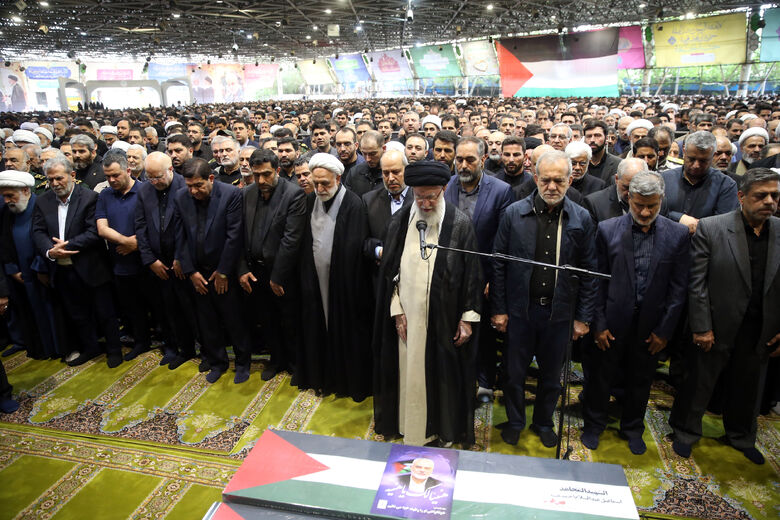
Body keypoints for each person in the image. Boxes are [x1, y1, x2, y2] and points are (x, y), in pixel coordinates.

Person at [670, 168, 780, 465]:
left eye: (775, 196)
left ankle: (741, 436)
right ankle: (685, 432)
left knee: (749, 386)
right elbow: (697, 282)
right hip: (716, 324)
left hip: (761, 328)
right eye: (761, 196)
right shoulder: (712, 227)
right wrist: (702, 325)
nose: (769, 202)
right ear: (742, 197)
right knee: (699, 383)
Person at [491, 150, 598, 448]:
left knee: (552, 377)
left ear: (570, 180)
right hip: (519, 312)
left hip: (560, 314)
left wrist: (583, 317)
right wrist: (499, 309)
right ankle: (514, 421)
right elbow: (498, 263)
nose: (552, 187)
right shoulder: (514, 213)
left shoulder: (582, 218)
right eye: (546, 180)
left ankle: (543, 421)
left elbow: (590, 271)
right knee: (513, 374)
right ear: (536, 178)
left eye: (559, 181)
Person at [373, 160, 483, 447]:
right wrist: (396, 312)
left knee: (442, 379)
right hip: (408, 320)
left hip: (443, 322)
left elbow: (472, 274)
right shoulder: (400, 223)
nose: (424, 202)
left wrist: (468, 318)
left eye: (431, 196)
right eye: (419, 196)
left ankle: (441, 430)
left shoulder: (459, 225)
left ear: (444, 190)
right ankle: (409, 427)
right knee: (408, 375)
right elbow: (389, 275)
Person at [581, 171, 690, 454]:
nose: (644, 211)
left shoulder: (677, 234)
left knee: (641, 380)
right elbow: (596, 280)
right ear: (628, 197)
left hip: (651, 327)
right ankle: (594, 425)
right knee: (600, 378)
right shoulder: (607, 229)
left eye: (651, 206)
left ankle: (632, 428)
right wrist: (599, 324)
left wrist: (665, 331)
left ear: (661, 201)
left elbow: (679, 290)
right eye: (638, 204)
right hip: (612, 323)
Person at [31, 156, 124, 368]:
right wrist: (50, 251)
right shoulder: (43, 201)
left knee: (105, 312)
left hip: (91, 267)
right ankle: (90, 348)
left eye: (59, 178)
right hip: (61, 270)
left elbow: (94, 232)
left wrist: (67, 246)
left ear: (72, 175)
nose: (55, 184)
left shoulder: (90, 198)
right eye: (50, 179)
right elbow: (37, 231)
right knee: (77, 313)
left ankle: (113, 350)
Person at [297, 153, 373, 401]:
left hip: (344, 286)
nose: (319, 189)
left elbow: (354, 250)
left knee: (345, 332)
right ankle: (323, 377)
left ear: (338, 178)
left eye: (325, 184)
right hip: (316, 280)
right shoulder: (310, 201)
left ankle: (345, 382)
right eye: (316, 183)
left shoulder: (353, 204)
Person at [443, 137, 514, 404]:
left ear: (482, 160)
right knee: (453, 329)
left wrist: (492, 279)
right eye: (459, 159)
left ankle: (485, 381)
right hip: (450, 276)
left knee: (483, 335)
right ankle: (456, 380)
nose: (463, 164)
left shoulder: (501, 190)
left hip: (484, 277)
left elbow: (503, 240)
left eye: (470, 159)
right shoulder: (447, 186)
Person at [173, 158, 251, 384]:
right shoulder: (181, 197)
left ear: (210, 179)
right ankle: (218, 362)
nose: (193, 191)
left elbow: (234, 236)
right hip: (197, 272)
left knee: (235, 320)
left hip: (224, 271)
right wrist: (190, 271)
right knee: (207, 322)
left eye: (198, 186)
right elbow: (180, 237)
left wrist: (224, 271)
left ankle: (243, 363)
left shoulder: (230, 194)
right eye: (189, 186)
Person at [238, 149, 306, 381]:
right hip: (255, 272)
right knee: (266, 320)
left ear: (277, 171)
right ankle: (276, 360)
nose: (261, 181)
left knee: (290, 321)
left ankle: (297, 365)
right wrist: (242, 269)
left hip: (283, 273)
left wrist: (277, 277)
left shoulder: (293, 194)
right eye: (256, 175)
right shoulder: (247, 193)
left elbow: (291, 240)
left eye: (266, 174)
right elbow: (238, 235)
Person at [135, 152, 198, 369]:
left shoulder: (186, 187)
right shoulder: (144, 190)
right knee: (164, 309)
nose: (154, 182)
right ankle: (173, 347)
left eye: (158, 177)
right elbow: (140, 227)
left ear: (170, 170)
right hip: (157, 264)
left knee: (189, 309)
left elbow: (191, 228)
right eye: (150, 177)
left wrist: (182, 258)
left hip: (184, 262)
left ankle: (194, 348)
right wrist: (150, 260)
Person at [96, 151, 151, 361]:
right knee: (132, 307)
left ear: (128, 170)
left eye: (115, 175)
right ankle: (141, 341)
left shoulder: (146, 190)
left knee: (157, 306)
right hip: (120, 262)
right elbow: (102, 228)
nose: (111, 180)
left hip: (147, 260)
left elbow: (155, 223)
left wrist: (137, 244)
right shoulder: (105, 195)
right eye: (107, 176)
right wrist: (126, 241)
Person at [0, 170, 60, 360]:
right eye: (4, 196)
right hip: (19, 276)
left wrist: (38, 266)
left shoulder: (40, 206)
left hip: (39, 272)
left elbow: (45, 239)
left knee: (49, 312)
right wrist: (12, 270)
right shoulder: (6, 213)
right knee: (27, 314)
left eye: (11, 195)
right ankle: (35, 348)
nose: (7, 200)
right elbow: (3, 244)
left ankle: (55, 348)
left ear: (26, 191)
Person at [362, 149, 411, 266]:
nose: (391, 178)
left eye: (396, 172)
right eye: (386, 173)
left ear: (406, 170)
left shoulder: (419, 200)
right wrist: (380, 252)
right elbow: (362, 240)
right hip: (380, 275)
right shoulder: (369, 201)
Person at [583, 158, 649, 223]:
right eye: (626, 187)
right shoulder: (595, 204)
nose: (631, 193)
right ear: (617, 179)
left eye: (637, 188)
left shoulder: (654, 201)